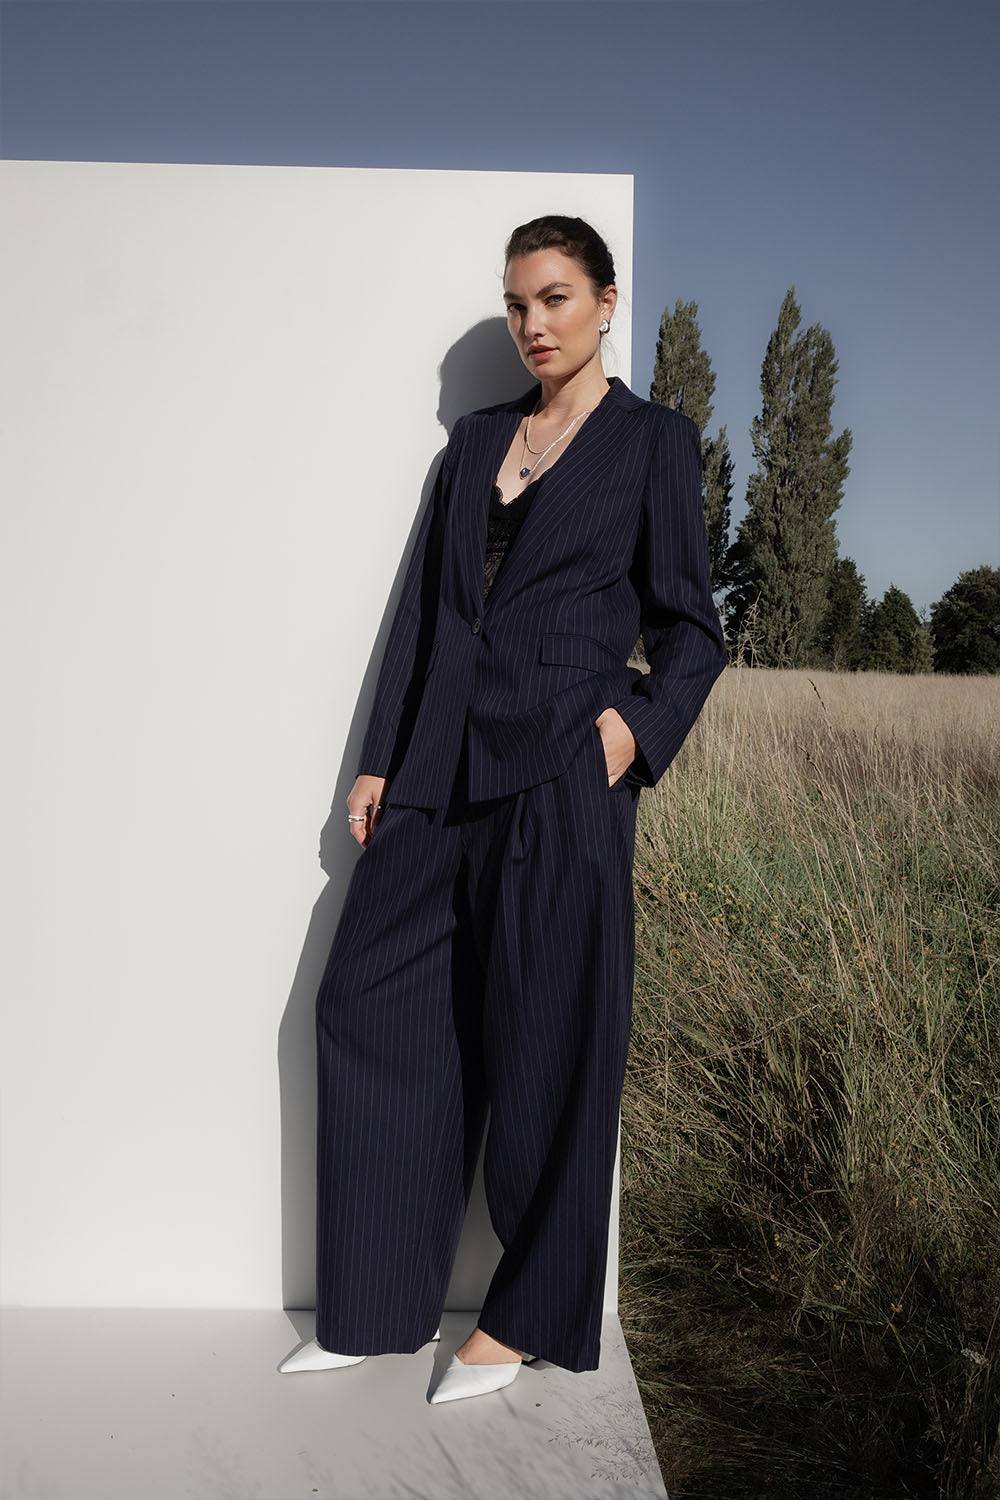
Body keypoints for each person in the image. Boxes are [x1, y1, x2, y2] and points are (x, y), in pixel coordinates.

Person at [280, 215, 726, 1403]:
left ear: (606, 302)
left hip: (562, 774)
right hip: (435, 771)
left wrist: (629, 735)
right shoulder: (477, 439)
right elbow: (425, 616)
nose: (534, 323)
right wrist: (378, 761)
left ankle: (523, 1319)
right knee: (367, 1006)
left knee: (546, 1047)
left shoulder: (652, 443)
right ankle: (373, 1305)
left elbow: (692, 626)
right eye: (518, 302)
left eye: (555, 298)